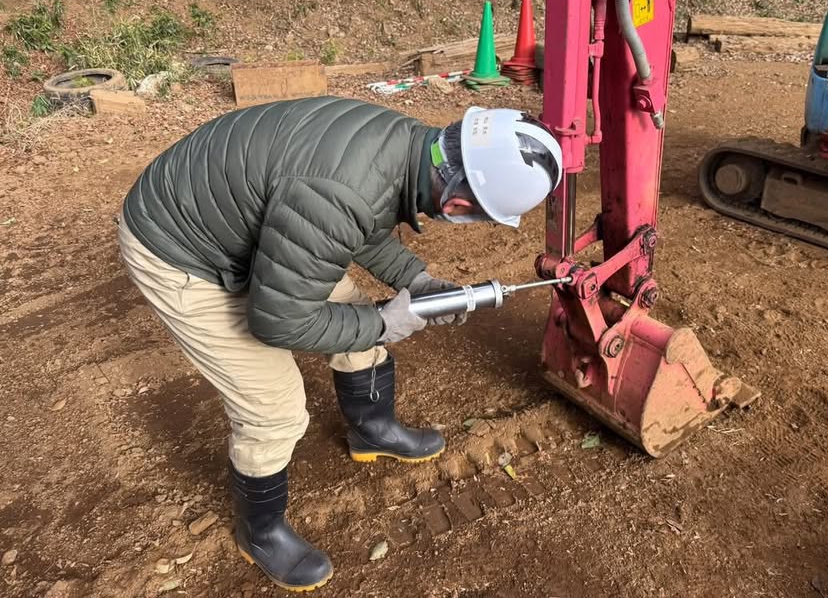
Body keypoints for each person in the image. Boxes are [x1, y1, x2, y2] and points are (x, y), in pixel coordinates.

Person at [117, 97, 563, 592]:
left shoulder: (405, 143)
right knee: (273, 408)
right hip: (179, 249)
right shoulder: (340, 191)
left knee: (354, 319)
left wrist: (415, 279)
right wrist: (381, 324)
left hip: (241, 216)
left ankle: (373, 431)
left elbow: (356, 223)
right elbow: (279, 319)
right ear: (458, 206)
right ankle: (260, 533)